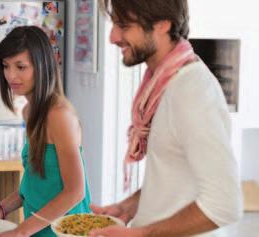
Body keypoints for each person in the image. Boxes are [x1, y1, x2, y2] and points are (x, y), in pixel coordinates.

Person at [90, 1, 242, 237]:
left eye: (124, 26)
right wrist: (128, 206)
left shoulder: (191, 90)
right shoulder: (163, 82)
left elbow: (225, 205)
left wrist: (143, 233)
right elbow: (176, 174)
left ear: (162, 25)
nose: (113, 37)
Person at [0, 26, 91, 237]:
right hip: (37, 229)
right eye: (6, 66)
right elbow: (33, 185)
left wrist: (20, 232)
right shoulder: (29, 111)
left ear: (42, 66)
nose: (11, 75)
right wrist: (1, 208)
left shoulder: (59, 115)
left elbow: (75, 191)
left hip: (64, 232)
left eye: (21, 67)